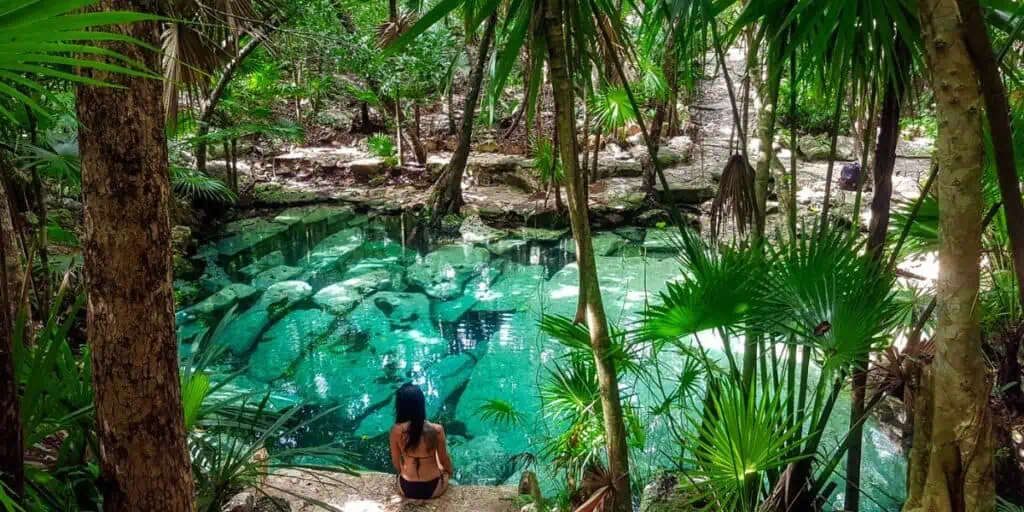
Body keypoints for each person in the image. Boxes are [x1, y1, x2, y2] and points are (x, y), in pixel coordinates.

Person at [389, 383, 454, 499]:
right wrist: (449, 473)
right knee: (438, 458)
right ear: (421, 405)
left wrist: (403, 472)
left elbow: (395, 461)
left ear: (400, 406)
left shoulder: (395, 431)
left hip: (406, 487)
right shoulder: (437, 429)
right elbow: (444, 459)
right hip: (433, 487)